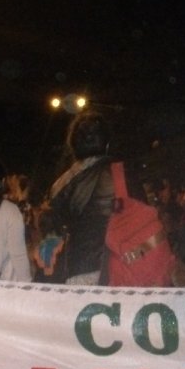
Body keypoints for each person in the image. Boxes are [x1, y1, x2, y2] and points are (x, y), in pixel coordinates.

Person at [48, 112, 115, 285]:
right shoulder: (123, 175)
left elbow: (54, 230)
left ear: (73, 146)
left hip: (80, 268)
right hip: (122, 265)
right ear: (107, 144)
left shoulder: (60, 185)